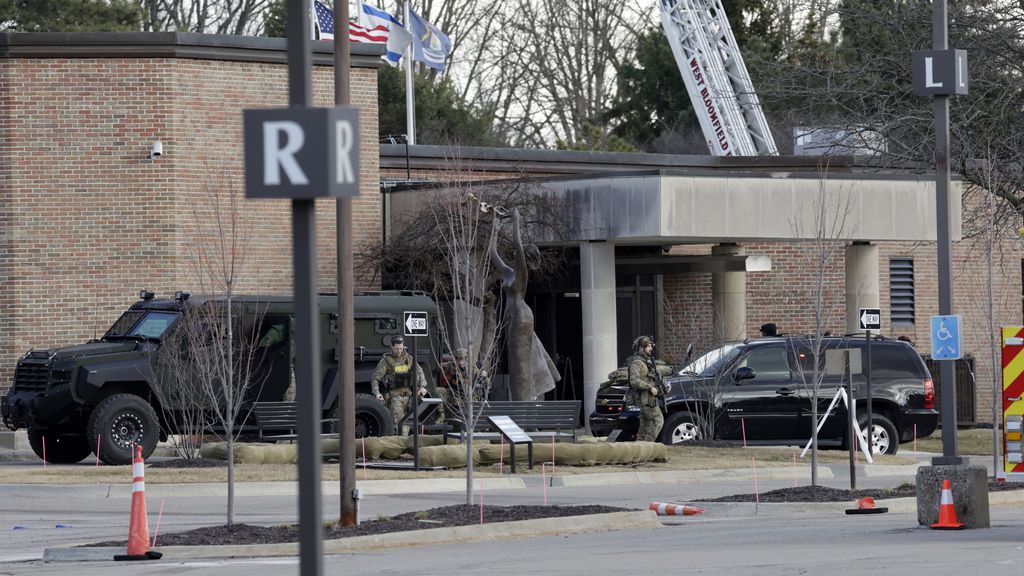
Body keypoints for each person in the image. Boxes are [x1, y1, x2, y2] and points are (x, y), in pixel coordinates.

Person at [370, 335, 428, 433]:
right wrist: (377, 393)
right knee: (399, 426)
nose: (399, 351)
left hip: (410, 397)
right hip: (395, 398)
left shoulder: (409, 359)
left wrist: (422, 386)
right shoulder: (386, 361)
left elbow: (419, 371)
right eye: (396, 349)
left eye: (401, 348)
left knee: (413, 424)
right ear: (391, 347)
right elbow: (375, 378)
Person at [627, 335, 664, 443]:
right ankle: (646, 446)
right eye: (648, 346)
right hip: (644, 397)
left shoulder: (646, 361)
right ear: (642, 347)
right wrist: (650, 387)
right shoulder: (636, 362)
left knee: (645, 423)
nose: (651, 348)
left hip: (648, 398)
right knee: (658, 421)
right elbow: (634, 381)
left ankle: (639, 447)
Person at [436, 348, 489, 421]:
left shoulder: (473, 369)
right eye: (458, 360)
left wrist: (484, 375)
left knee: (475, 402)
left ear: (466, 359)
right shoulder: (451, 366)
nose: (460, 362)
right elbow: (438, 367)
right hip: (453, 394)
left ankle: (474, 422)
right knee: (438, 391)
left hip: (467, 396)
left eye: (462, 359)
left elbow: (486, 382)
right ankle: (441, 417)